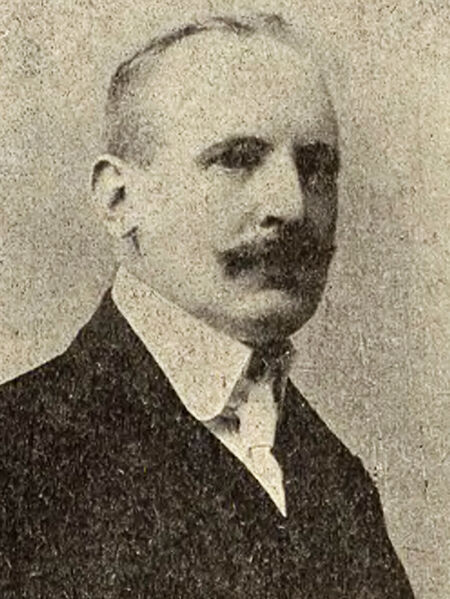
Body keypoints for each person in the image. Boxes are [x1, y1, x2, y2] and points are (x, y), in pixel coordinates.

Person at [0, 14, 414, 598]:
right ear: (119, 200)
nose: (292, 205)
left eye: (316, 166)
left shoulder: (338, 483)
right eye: (237, 159)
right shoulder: (18, 461)